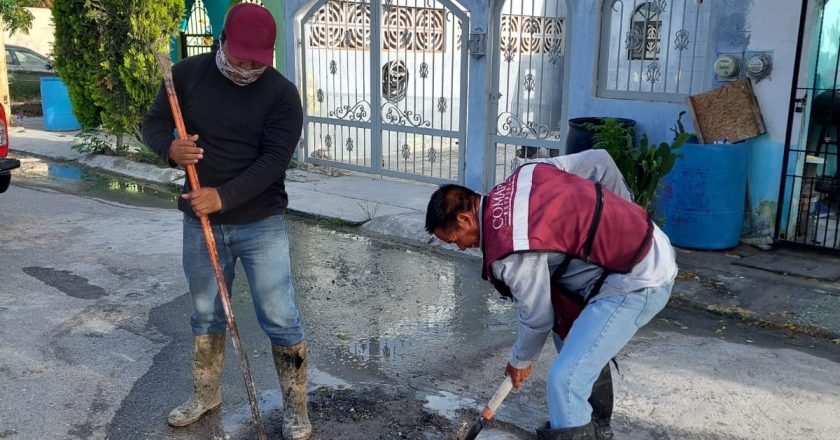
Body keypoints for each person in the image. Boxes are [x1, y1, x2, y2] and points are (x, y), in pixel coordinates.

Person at [142, 4, 311, 439]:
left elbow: (274, 161)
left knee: (280, 315)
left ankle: (296, 408)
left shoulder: (281, 95)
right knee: (205, 313)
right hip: (201, 223)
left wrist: (223, 196)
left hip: (259, 221)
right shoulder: (186, 76)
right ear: (222, 42)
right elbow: (154, 124)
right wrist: (169, 149)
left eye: (258, 60)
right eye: (241, 58)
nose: (248, 67)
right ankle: (207, 394)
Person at [425, 149, 677, 440]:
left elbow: (537, 317)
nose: (461, 248)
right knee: (569, 336)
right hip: (650, 242)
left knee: (566, 380)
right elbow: (601, 161)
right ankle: (594, 427)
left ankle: (581, 428)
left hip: (639, 278)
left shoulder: (509, 249)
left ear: (466, 219)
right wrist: (627, 216)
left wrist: (519, 362)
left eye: (456, 240)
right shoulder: (527, 174)